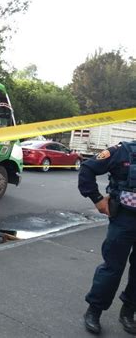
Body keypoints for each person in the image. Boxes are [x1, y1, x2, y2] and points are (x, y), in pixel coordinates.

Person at [78, 140, 136, 335]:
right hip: (124, 220)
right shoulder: (122, 151)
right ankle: (94, 311)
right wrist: (96, 199)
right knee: (112, 268)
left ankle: (128, 312)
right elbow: (87, 169)